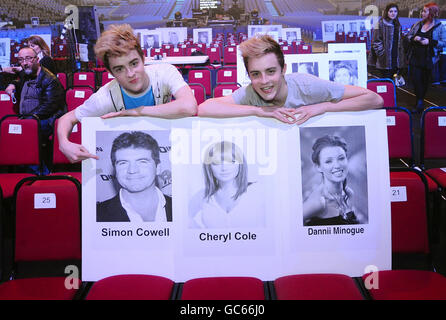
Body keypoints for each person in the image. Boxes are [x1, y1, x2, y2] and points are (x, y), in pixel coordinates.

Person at [57, 24, 197, 163]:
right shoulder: (104, 97)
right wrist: (64, 143)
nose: (130, 74)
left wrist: (138, 112)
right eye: (119, 69)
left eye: (134, 63)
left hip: (167, 148)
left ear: (143, 59)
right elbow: (67, 119)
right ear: (111, 73)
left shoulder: (165, 72)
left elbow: (189, 107)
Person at [197, 35, 383, 124]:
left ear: (283, 69)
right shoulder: (250, 93)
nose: (264, 81)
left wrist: (324, 107)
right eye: (255, 74)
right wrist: (258, 111)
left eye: (271, 71)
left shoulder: (307, 85)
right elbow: (204, 108)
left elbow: (375, 99)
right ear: (249, 76)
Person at [97, 131, 172, 222]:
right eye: (123, 163)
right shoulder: (96, 215)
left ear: (158, 168)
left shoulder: (181, 209)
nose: (132, 170)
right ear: (115, 170)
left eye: (142, 162)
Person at [190, 141, 264, 229]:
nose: (224, 168)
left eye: (232, 161)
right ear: (209, 167)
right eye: (216, 163)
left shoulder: (257, 192)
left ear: (241, 164)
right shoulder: (203, 195)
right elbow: (183, 218)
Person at [4, 47, 66, 139]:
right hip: (27, 118)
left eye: (28, 58)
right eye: (21, 60)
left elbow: (48, 107)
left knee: (17, 132)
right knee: (6, 128)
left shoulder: (49, 79)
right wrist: (12, 84)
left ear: (37, 59)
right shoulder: (27, 74)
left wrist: (26, 120)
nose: (24, 63)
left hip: (45, 120)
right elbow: (19, 82)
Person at [303, 135, 359, 226]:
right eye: (328, 161)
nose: (337, 165)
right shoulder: (318, 202)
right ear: (318, 167)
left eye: (341, 158)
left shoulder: (348, 194)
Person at [406, 2, 446, 112]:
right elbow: (408, 36)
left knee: (424, 82)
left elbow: (444, 42)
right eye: (422, 11)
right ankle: (419, 102)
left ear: (431, 13)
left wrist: (430, 41)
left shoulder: (440, 26)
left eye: (424, 11)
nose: (422, 13)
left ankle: (420, 101)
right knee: (416, 80)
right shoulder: (418, 24)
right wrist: (414, 38)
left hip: (428, 59)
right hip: (415, 57)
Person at [367, 3, 406, 80]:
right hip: (385, 60)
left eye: (395, 11)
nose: (393, 13)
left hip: (395, 59)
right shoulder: (380, 23)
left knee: (392, 82)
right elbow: (376, 42)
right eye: (391, 11)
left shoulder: (397, 24)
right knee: (385, 82)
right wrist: (382, 54)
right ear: (386, 12)